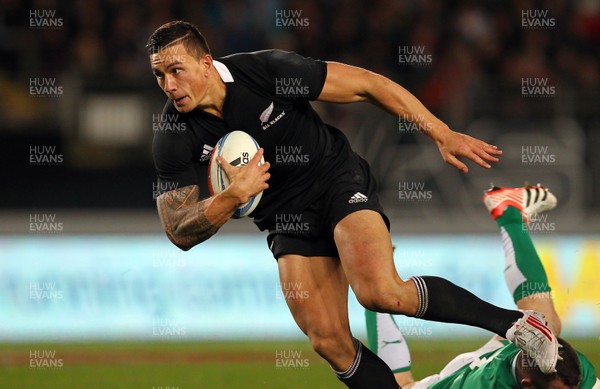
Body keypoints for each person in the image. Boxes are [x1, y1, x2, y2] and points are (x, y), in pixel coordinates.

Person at [146, 20, 559, 388]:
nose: (168, 85)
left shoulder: (265, 71)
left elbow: (367, 85)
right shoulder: (173, 134)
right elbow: (178, 230)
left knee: (380, 292)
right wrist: (232, 197)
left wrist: (441, 132)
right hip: (285, 219)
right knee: (328, 340)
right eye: (159, 75)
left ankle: (517, 325)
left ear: (205, 62)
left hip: (335, 180)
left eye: (175, 70)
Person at [366, 185, 599, 388]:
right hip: (459, 382)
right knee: (402, 386)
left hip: (501, 361)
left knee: (546, 324)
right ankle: (371, 272)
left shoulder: (571, 369)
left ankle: (510, 212)